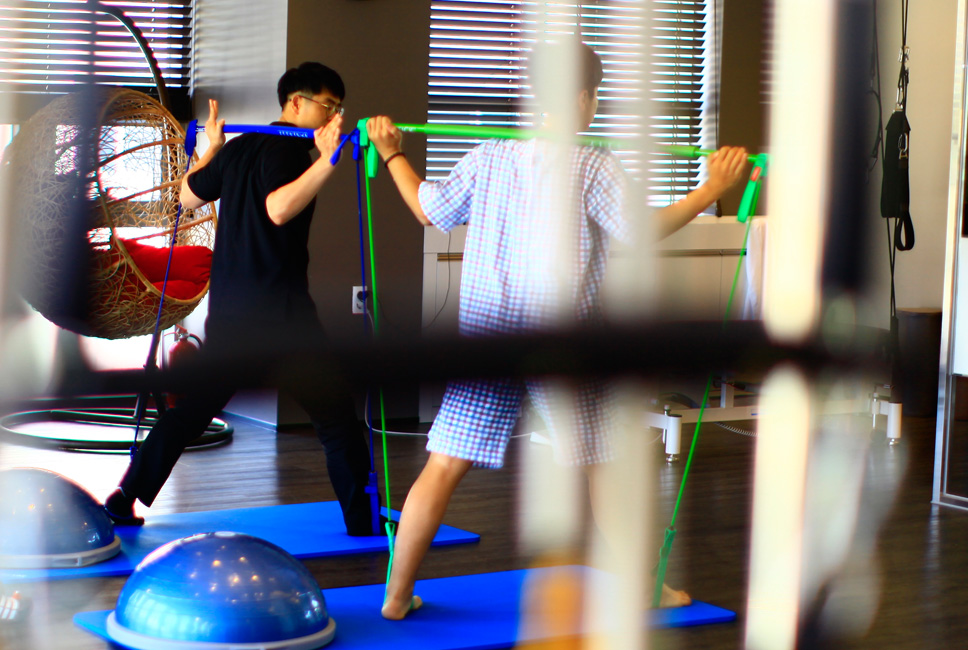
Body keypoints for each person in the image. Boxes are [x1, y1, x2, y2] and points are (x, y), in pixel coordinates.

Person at [364, 42, 749, 619]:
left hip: (490, 340)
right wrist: (709, 192)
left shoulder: (489, 155)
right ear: (583, 98)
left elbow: (427, 208)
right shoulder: (591, 163)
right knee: (604, 468)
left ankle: (396, 598)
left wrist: (391, 152)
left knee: (443, 464)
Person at [104, 62, 381, 537]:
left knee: (191, 413)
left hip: (232, 313)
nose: (336, 117)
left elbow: (188, 197)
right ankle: (362, 523)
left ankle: (124, 495)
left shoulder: (240, 147)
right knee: (337, 421)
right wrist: (327, 161)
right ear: (296, 103)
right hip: (283, 317)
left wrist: (210, 150)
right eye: (328, 106)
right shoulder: (294, 153)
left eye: (340, 109)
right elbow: (278, 209)